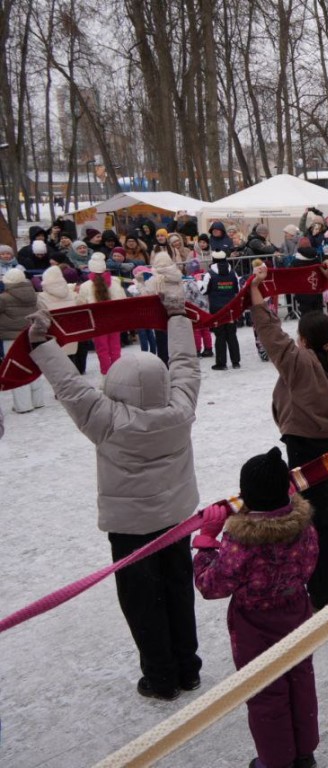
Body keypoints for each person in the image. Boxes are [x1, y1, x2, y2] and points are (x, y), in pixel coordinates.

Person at [27, 268, 203, 701]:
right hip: (178, 518)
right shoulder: (180, 406)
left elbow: (69, 385)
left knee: (142, 601)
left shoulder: (105, 419)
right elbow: (184, 363)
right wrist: (177, 317)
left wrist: (41, 343)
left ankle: (161, 677)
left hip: (131, 528)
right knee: (179, 588)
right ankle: (188, 667)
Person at [193, 446, 319, 768]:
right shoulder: (304, 526)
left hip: (255, 628)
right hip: (297, 613)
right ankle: (304, 752)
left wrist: (207, 542)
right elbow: (311, 561)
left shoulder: (242, 542)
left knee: (266, 693)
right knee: (300, 680)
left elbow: (211, 585)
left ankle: (276, 761)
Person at [248, 261, 328, 608]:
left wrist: (255, 289)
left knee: (317, 519)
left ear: (303, 339)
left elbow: (270, 332)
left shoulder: (298, 362)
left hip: (306, 447)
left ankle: (326, 593)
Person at [0, 268, 45, 412]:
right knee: (33, 365)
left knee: (16, 369)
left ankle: (23, 405)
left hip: (11, 337)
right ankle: (38, 400)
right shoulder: (32, 293)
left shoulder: (4, 298)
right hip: (31, 334)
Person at [78, 253, 127, 375]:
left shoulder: (85, 286)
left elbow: (80, 305)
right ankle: (118, 374)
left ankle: (106, 375)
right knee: (115, 349)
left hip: (97, 321)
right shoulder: (116, 283)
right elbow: (123, 300)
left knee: (102, 350)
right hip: (114, 320)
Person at [203, 251, 241, 370]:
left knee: (220, 335)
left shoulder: (209, 274)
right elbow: (237, 289)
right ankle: (236, 362)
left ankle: (221, 363)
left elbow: (204, 291)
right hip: (230, 308)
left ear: (213, 259)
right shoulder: (233, 273)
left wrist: (199, 281)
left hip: (216, 309)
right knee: (232, 334)